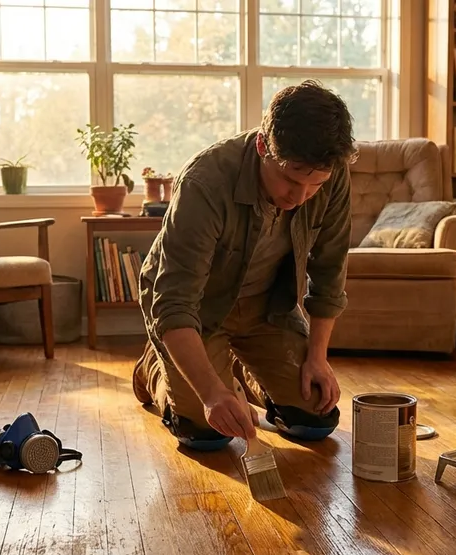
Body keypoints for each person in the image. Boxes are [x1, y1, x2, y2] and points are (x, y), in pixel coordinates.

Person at [132, 80, 356, 451]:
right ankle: (153, 368)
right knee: (208, 433)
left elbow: (330, 271)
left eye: (315, 185)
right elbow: (173, 305)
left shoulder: (331, 169)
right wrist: (211, 395)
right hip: (196, 310)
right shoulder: (203, 182)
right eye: (289, 179)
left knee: (315, 420)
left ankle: (233, 366)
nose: (299, 197)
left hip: (266, 307)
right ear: (263, 146)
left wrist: (317, 358)